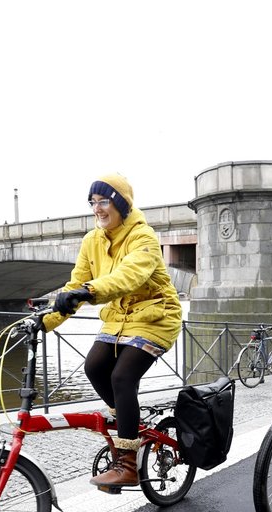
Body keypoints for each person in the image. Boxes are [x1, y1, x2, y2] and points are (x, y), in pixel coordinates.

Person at [39, 173, 182, 488]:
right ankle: (130, 424)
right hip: (118, 317)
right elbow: (75, 285)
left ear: (120, 204)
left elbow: (128, 276)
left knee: (122, 377)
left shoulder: (142, 237)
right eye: (93, 203)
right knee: (94, 367)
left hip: (156, 316)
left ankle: (128, 463)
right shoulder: (91, 240)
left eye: (104, 201)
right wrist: (44, 321)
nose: (97, 209)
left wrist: (88, 292)